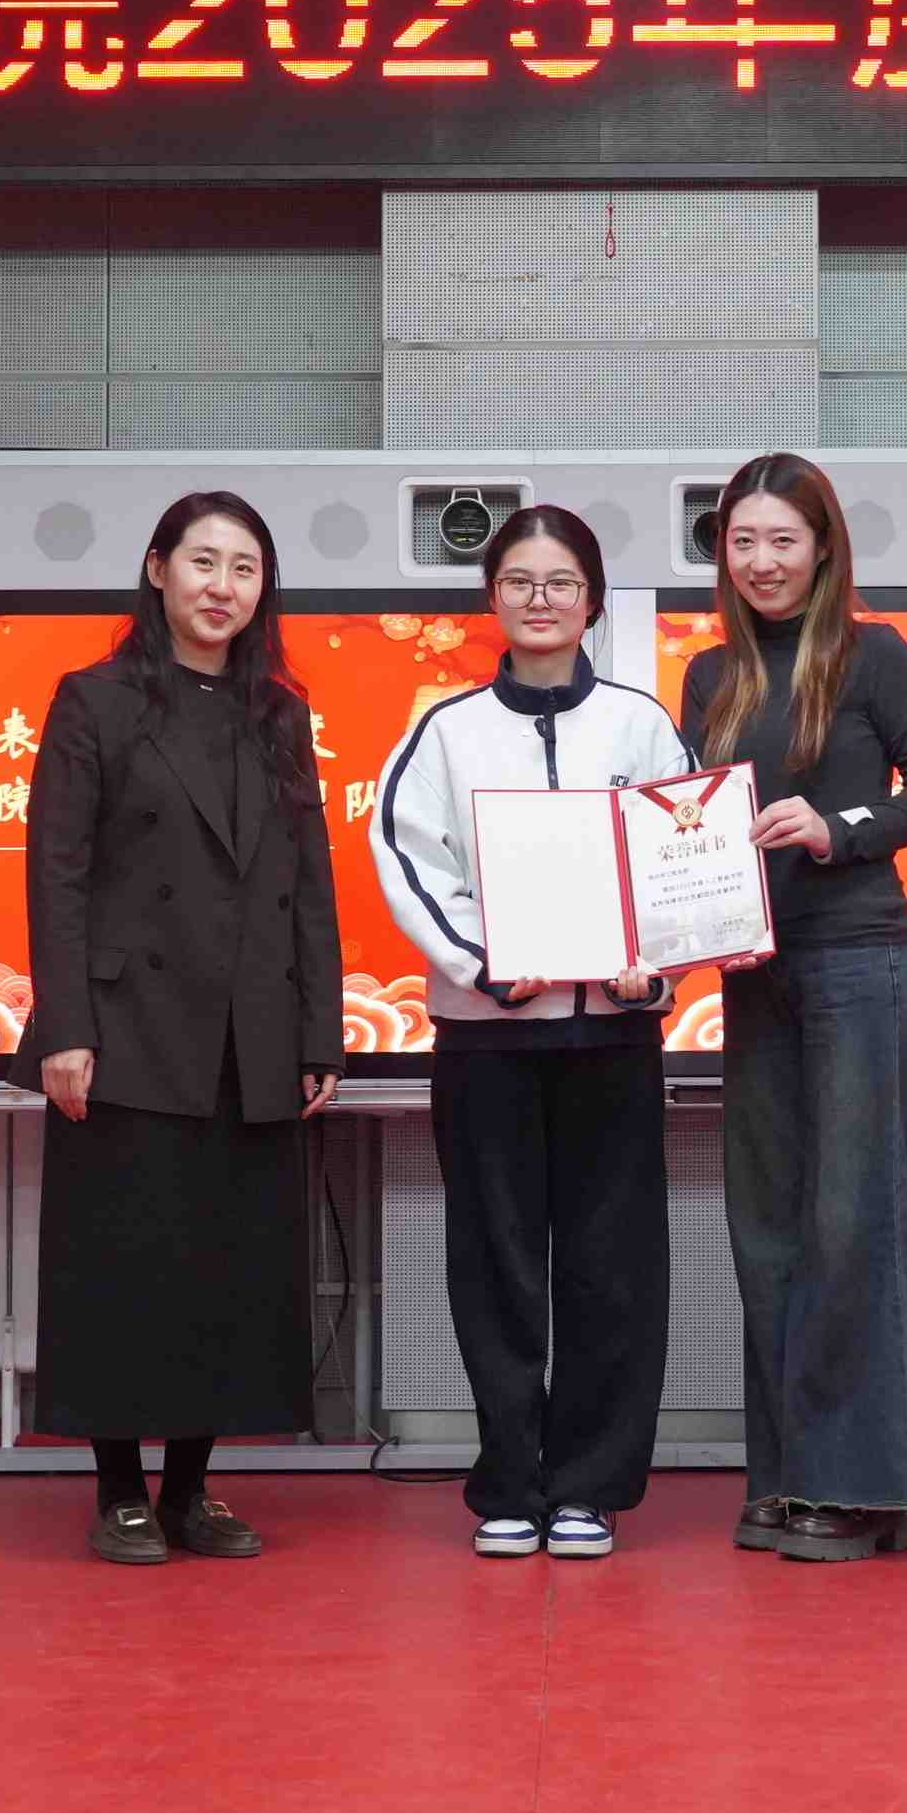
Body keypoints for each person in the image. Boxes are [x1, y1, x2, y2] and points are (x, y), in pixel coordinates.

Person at [11, 491, 343, 1566]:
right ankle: (119, 1489)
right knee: (122, 1262)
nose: (222, 586)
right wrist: (65, 1027)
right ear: (157, 570)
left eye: (244, 568)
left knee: (227, 1268)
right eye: (203, 561)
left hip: (251, 1031)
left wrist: (319, 1032)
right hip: (125, 1029)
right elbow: (57, 874)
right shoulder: (96, 700)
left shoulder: (278, 713)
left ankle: (192, 1489)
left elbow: (309, 882)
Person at [372, 506, 694, 1563]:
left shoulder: (642, 727)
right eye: (519, 580)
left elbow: (685, 864)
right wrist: (486, 964)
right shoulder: (446, 730)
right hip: (488, 1041)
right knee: (496, 1265)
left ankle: (590, 1486)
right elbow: (410, 860)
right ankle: (509, 1482)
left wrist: (654, 968)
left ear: (592, 600)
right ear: (492, 599)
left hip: (613, 1040)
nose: (540, 598)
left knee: (613, 1268)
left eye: (561, 581)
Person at [680, 452, 907, 1563]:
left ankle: (864, 1488)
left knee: (852, 1224)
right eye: (743, 541)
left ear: (823, 548)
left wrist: (836, 829)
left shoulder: (874, 654)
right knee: (767, 1230)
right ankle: (788, 1475)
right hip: (755, 972)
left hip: (860, 963)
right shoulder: (711, 674)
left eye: (783, 540)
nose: (762, 561)